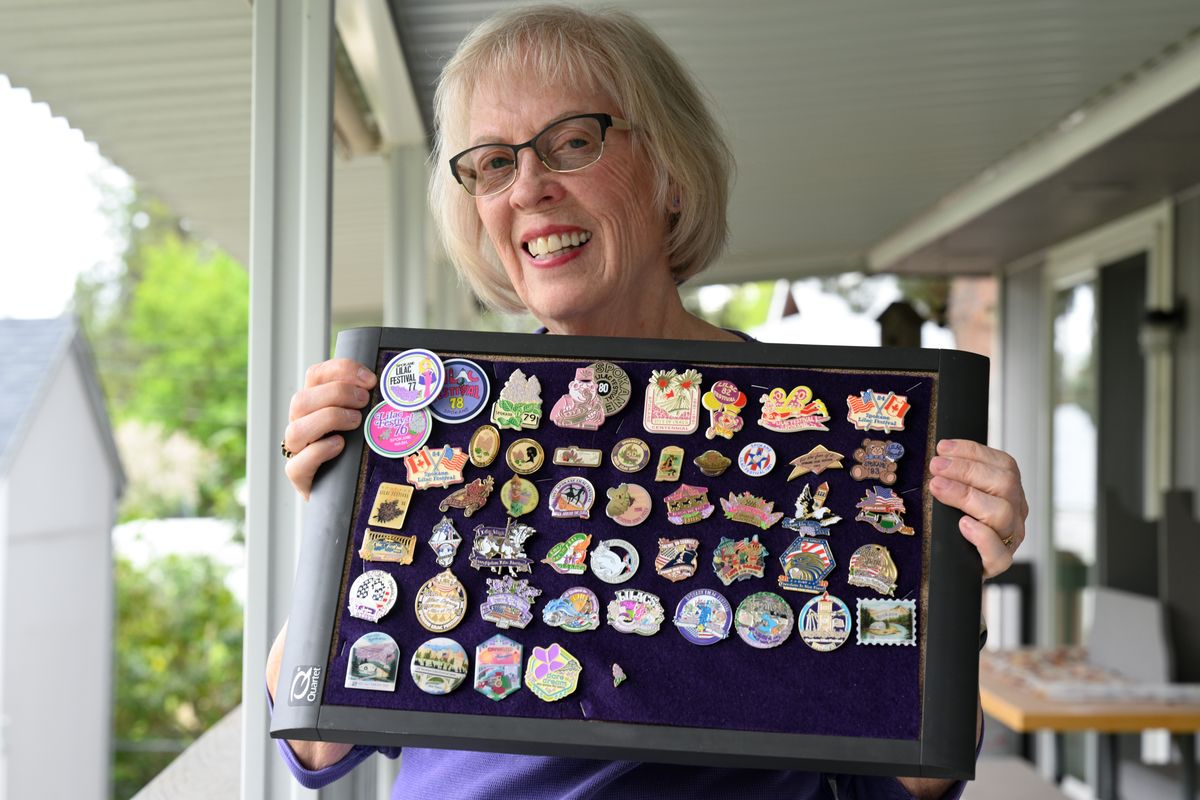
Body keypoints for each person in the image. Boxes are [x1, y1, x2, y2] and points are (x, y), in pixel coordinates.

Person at [268, 6, 1028, 798]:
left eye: (573, 141)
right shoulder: (446, 424)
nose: (530, 186)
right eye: (493, 162)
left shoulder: (813, 434)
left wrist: (953, 581)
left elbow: (913, 780)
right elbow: (318, 746)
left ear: (669, 172)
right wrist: (339, 515)